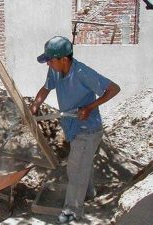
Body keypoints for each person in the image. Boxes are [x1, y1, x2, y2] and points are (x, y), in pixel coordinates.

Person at [30, 36, 120, 223]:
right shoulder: (55, 71)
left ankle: (72, 211)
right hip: (72, 127)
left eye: (50, 60)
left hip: (88, 129)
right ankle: (88, 192)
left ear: (64, 59)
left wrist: (89, 108)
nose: (48, 64)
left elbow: (113, 89)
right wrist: (35, 106)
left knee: (76, 168)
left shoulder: (81, 72)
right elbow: (46, 88)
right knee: (82, 164)